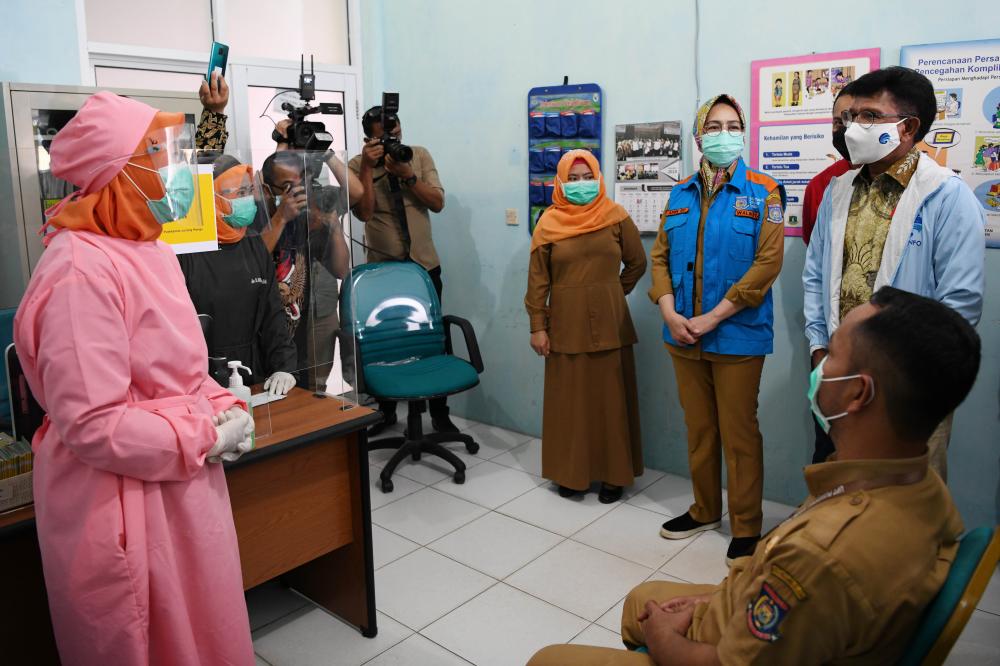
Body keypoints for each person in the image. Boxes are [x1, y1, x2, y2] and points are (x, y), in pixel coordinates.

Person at [527, 287, 978, 666]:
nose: (820, 366)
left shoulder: (819, 554)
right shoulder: (922, 487)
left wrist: (665, 635)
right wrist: (709, 601)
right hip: (755, 616)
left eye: (832, 354)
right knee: (640, 599)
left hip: (720, 652)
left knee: (549, 659)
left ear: (858, 392)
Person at [13, 92, 255, 665]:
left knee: (207, 627)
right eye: (158, 155)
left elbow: (180, 369)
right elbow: (94, 424)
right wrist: (203, 436)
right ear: (116, 171)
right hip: (121, 498)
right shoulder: (79, 269)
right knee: (151, 640)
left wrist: (226, 405)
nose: (177, 172)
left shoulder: (149, 249)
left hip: (178, 484)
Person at [804, 66, 986, 481]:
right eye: (852, 116)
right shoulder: (838, 190)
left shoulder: (946, 196)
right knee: (840, 480)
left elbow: (960, 305)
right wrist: (820, 351)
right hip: (840, 371)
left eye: (870, 116)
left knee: (906, 492)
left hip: (910, 384)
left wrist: (908, 376)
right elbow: (815, 276)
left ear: (908, 127)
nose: (854, 127)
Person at [650, 94, 785, 563]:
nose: (723, 134)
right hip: (682, 334)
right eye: (714, 126)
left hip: (737, 335)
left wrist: (713, 317)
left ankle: (746, 526)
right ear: (698, 136)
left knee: (740, 434)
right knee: (700, 429)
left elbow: (767, 265)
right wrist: (669, 312)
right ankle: (704, 510)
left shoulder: (764, 191)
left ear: (743, 133)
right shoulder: (679, 193)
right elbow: (660, 258)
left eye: (732, 126)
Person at [525, 150, 647, 503]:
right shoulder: (548, 223)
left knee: (611, 402)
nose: (581, 184)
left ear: (598, 177)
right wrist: (537, 326)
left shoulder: (616, 216)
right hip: (565, 324)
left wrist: (612, 292)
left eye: (587, 177)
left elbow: (637, 263)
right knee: (570, 403)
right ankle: (572, 475)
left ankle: (614, 476)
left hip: (611, 322)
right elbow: (537, 281)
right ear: (561, 183)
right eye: (573, 179)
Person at [348, 105, 456, 434]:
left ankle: (440, 414)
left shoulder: (418, 155)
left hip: (424, 267)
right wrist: (368, 168)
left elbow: (437, 203)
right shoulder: (357, 164)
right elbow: (364, 213)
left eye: (395, 132)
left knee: (433, 339)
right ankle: (386, 412)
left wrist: (408, 175)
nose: (392, 139)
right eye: (383, 136)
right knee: (386, 340)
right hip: (383, 272)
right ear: (369, 139)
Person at [179, 155, 297, 394]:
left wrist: (284, 368)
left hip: (253, 373)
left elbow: (272, 314)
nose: (247, 199)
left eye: (248, 191)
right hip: (201, 379)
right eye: (238, 192)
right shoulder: (185, 252)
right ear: (210, 197)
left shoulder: (253, 243)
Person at [260, 149, 353, 392]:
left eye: (301, 185)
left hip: (307, 323)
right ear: (268, 190)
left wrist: (333, 226)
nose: (298, 194)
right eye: (288, 187)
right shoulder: (256, 215)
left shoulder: (306, 218)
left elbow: (341, 269)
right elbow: (253, 262)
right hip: (266, 328)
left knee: (311, 389)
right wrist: (281, 218)